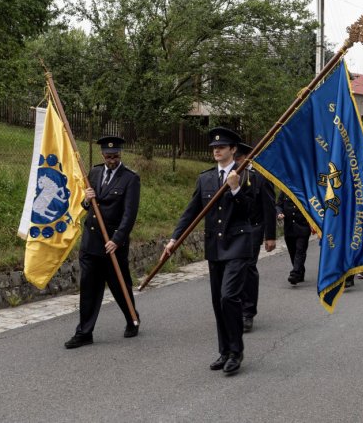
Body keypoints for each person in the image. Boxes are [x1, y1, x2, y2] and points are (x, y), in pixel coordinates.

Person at [163, 127, 253, 375]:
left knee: (228, 297)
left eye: (222, 147)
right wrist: (174, 239)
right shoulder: (205, 178)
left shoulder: (245, 175)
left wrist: (235, 189)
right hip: (215, 248)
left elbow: (251, 213)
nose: (217, 151)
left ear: (233, 150)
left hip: (237, 246)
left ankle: (236, 351)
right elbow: (191, 212)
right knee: (218, 302)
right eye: (214, 148)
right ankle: (224, 351)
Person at [65, 136, 141, 349]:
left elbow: (129, 214)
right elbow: (85, 206)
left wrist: (118, 239)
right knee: (89, 288)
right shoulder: (95, 172)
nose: (112, 160)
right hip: (91, 242)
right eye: (108, 156)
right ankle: (84, 332)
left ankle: (132, 318)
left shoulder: (130, 179)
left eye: (115, 156)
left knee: (119, 286)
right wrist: (86, 199)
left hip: (113, 244)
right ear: (102, 155)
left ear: (120, 154)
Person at [234, 143, 277, 333]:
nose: (237, 162)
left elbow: (269, 206)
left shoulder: (261, 177)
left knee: (248, 267)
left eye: (240, 157)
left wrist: (270, 236)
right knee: (234, 269)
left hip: (254, 228)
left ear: (248, 157)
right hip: (233, 231)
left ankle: (247, 312)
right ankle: (234, 307)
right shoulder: (230, 176)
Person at [276, 192, 312, 285]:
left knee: (300, 251)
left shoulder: (304, 189)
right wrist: (279, 213)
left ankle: (295, 273)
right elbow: (278, 205)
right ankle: (300, 272)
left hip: (302, 227)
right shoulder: (284, 190)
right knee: (292, 252)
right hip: (289, 228)